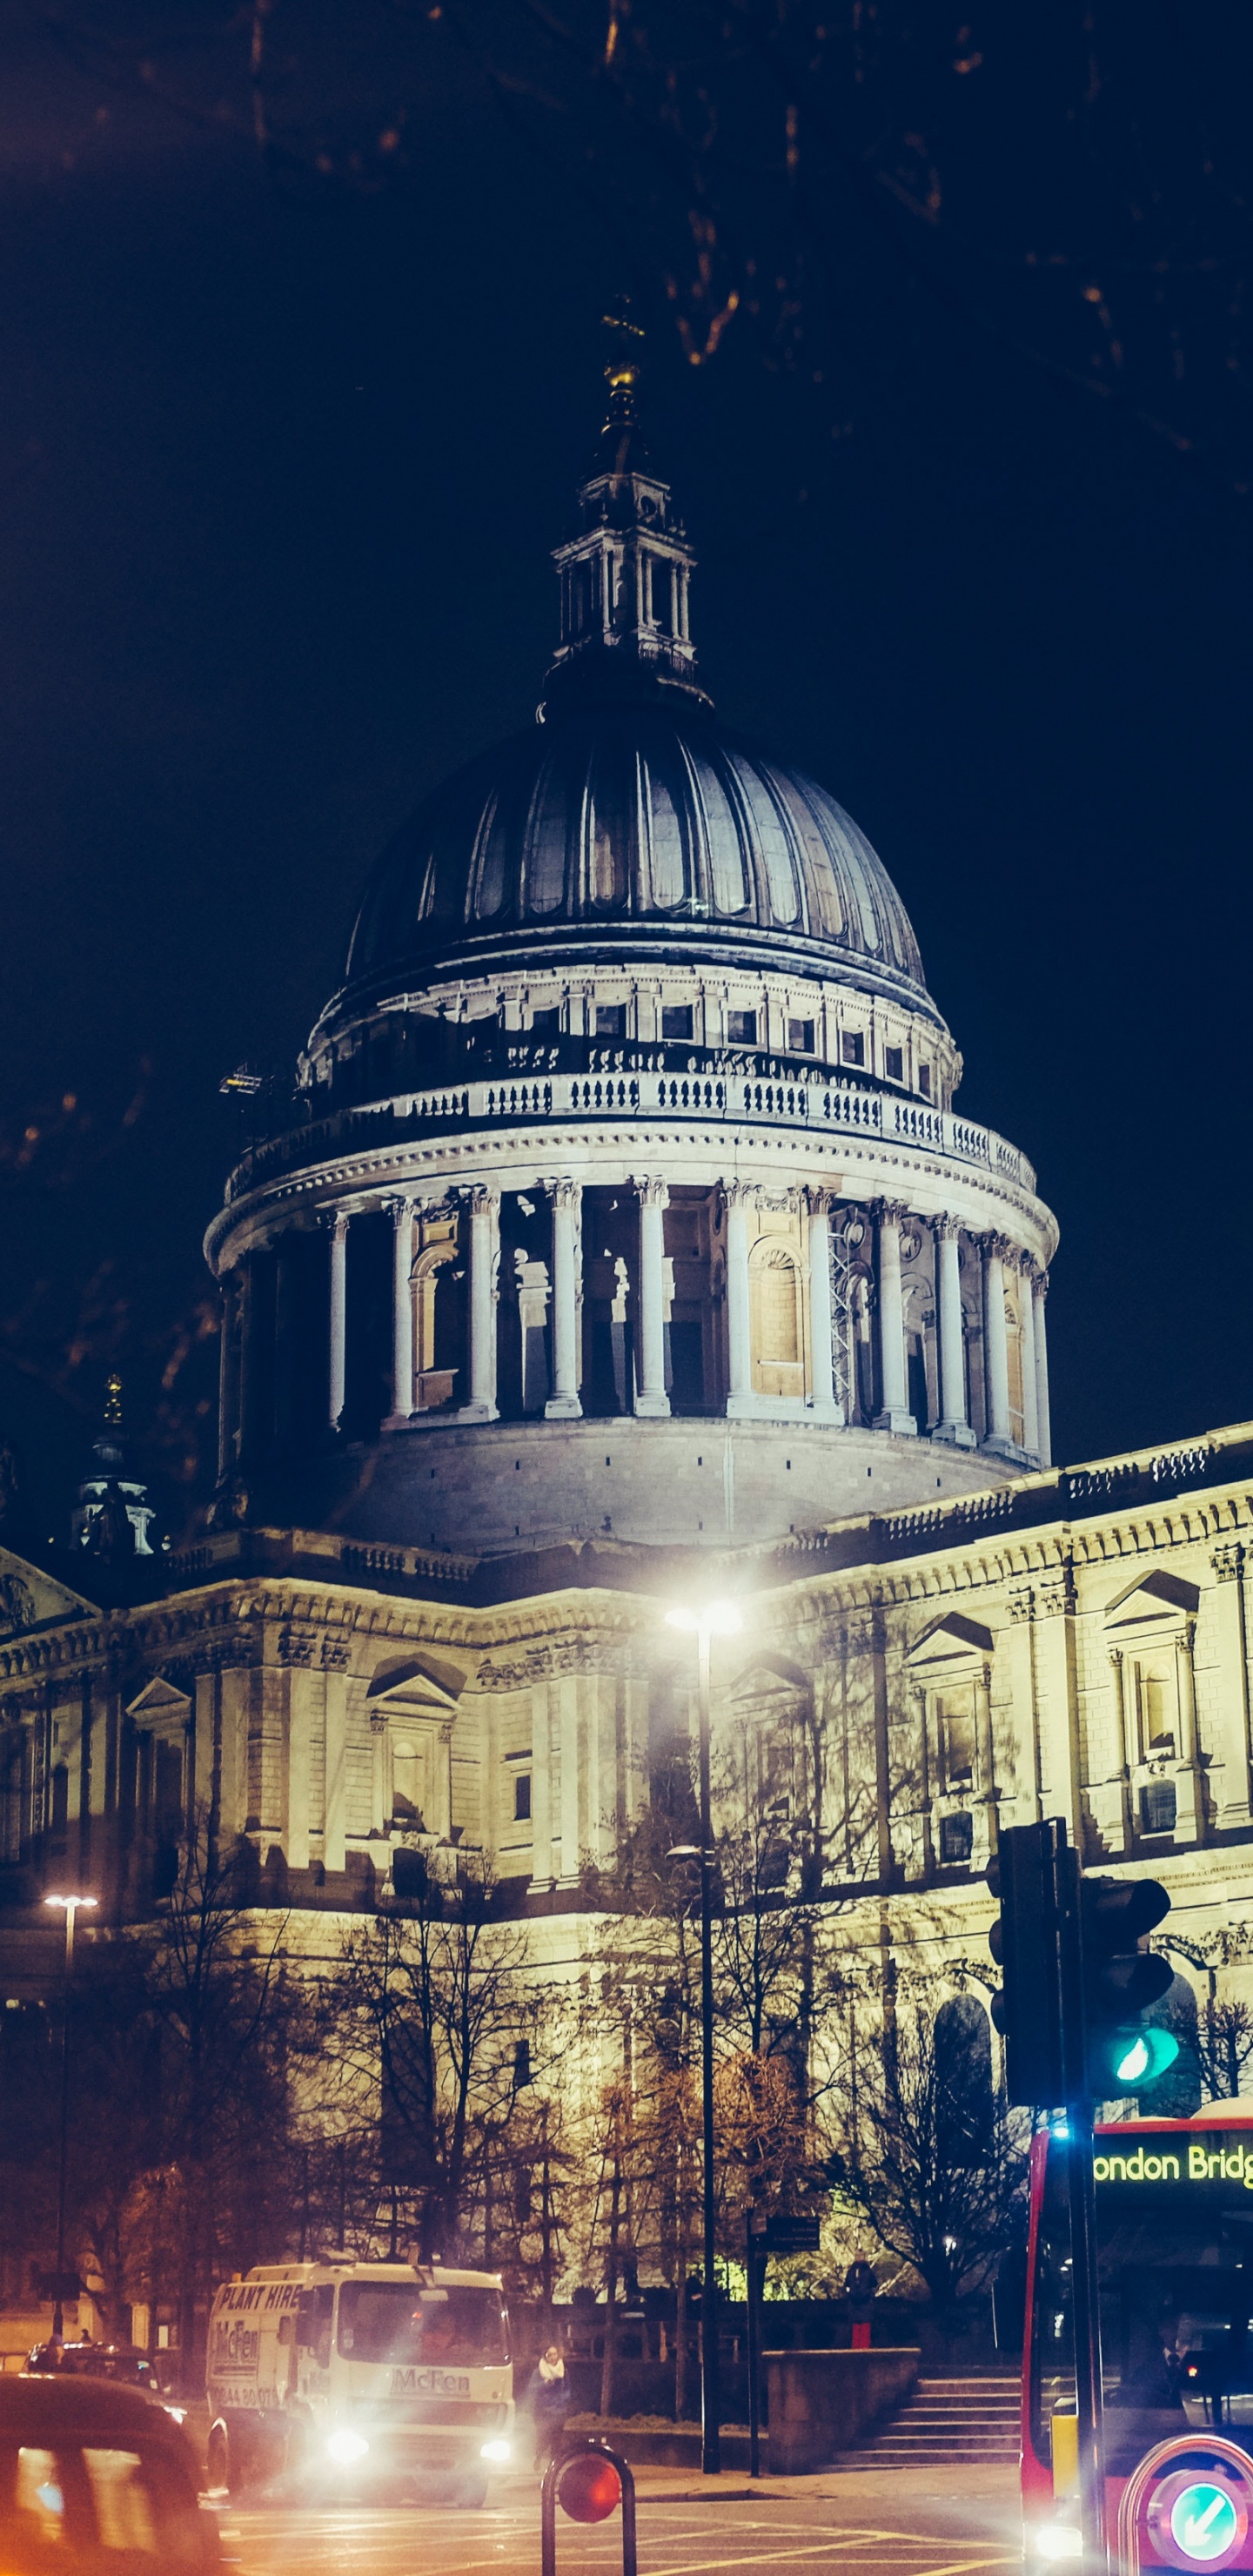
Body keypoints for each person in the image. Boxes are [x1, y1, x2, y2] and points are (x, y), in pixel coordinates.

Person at [526, 2343, 571, 2471]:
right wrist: (544, 2384)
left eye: (555, 2354)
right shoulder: (539, 2371)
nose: (553, 2357)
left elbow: (568, 2389)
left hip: (559, 2411)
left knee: (557, 2441)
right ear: (545, 2356)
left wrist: (564, 2400)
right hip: (543, 2411)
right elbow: (532, 2388)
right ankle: (538, 2456)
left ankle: (552, 2467)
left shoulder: (563, 2371)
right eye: (549, 2354)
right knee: (543, 2437)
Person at [844, 2254, 878, 2350]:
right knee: (863, 2328)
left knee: (858, 2329)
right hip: (865, 2304)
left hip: (855, 2304)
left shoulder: (851, 2272)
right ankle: (863, 2348)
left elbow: (846, 2285)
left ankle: (857, 2349)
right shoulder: (868, 2271)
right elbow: (874, 2284)